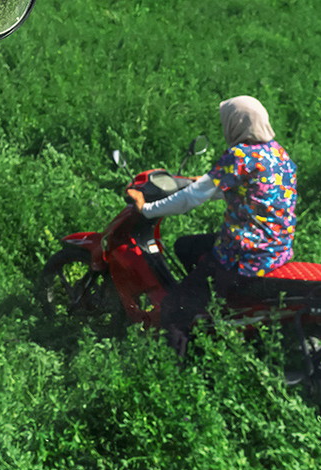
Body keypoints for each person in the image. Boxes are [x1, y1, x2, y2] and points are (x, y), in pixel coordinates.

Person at [126, 94, 298, 358]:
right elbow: (252, 190)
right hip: (276, 251)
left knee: (174, 308)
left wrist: (146, 209)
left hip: (244, 256)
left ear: (236, 124)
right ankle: (210, 310)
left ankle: (177, 368)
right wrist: (210, 181)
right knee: (186, 246)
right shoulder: (277, 153)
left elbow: (189, 199)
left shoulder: (239, 155)